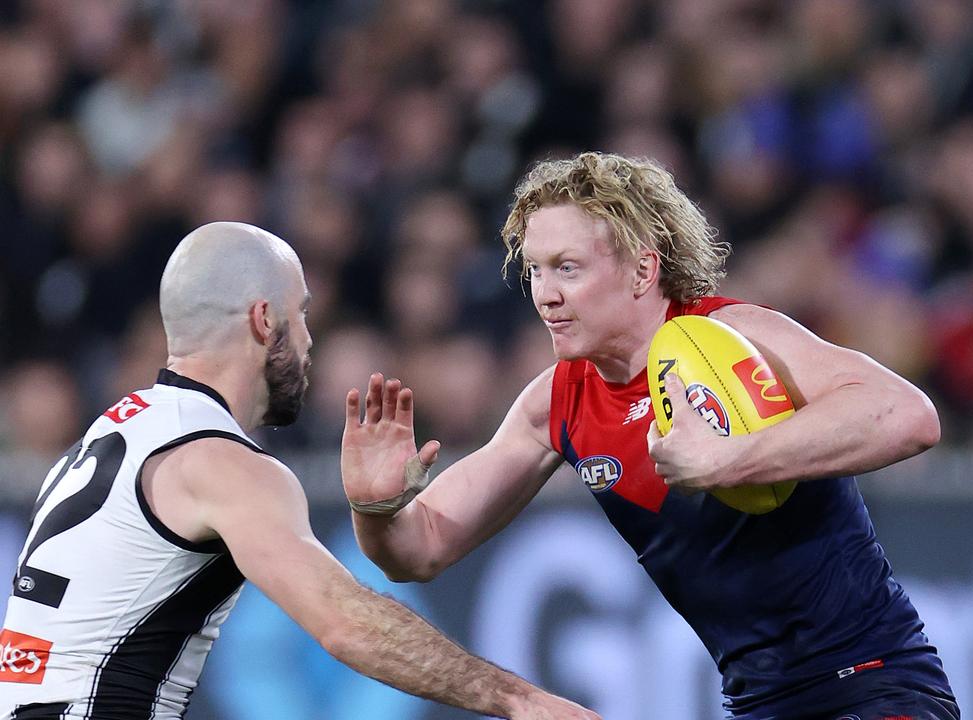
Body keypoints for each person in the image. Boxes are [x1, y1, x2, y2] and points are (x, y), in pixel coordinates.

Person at [341, 153, 961, 720]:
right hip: (757, 707)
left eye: (568, 268)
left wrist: (731, 458)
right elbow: (417, 550)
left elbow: (908, 416)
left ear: (643, 269)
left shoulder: (736, 336)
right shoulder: (554, 403)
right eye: (534, 270)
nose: (546, 295)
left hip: (874, 683)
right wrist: (374, 508)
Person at [0, 222, 598, 720]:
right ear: (264, 320)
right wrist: (518, 700)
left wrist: (373, 512)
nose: (309, 340)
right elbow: (348, 626)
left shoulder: (113, 432)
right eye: (302, 314)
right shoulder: (222, 461)